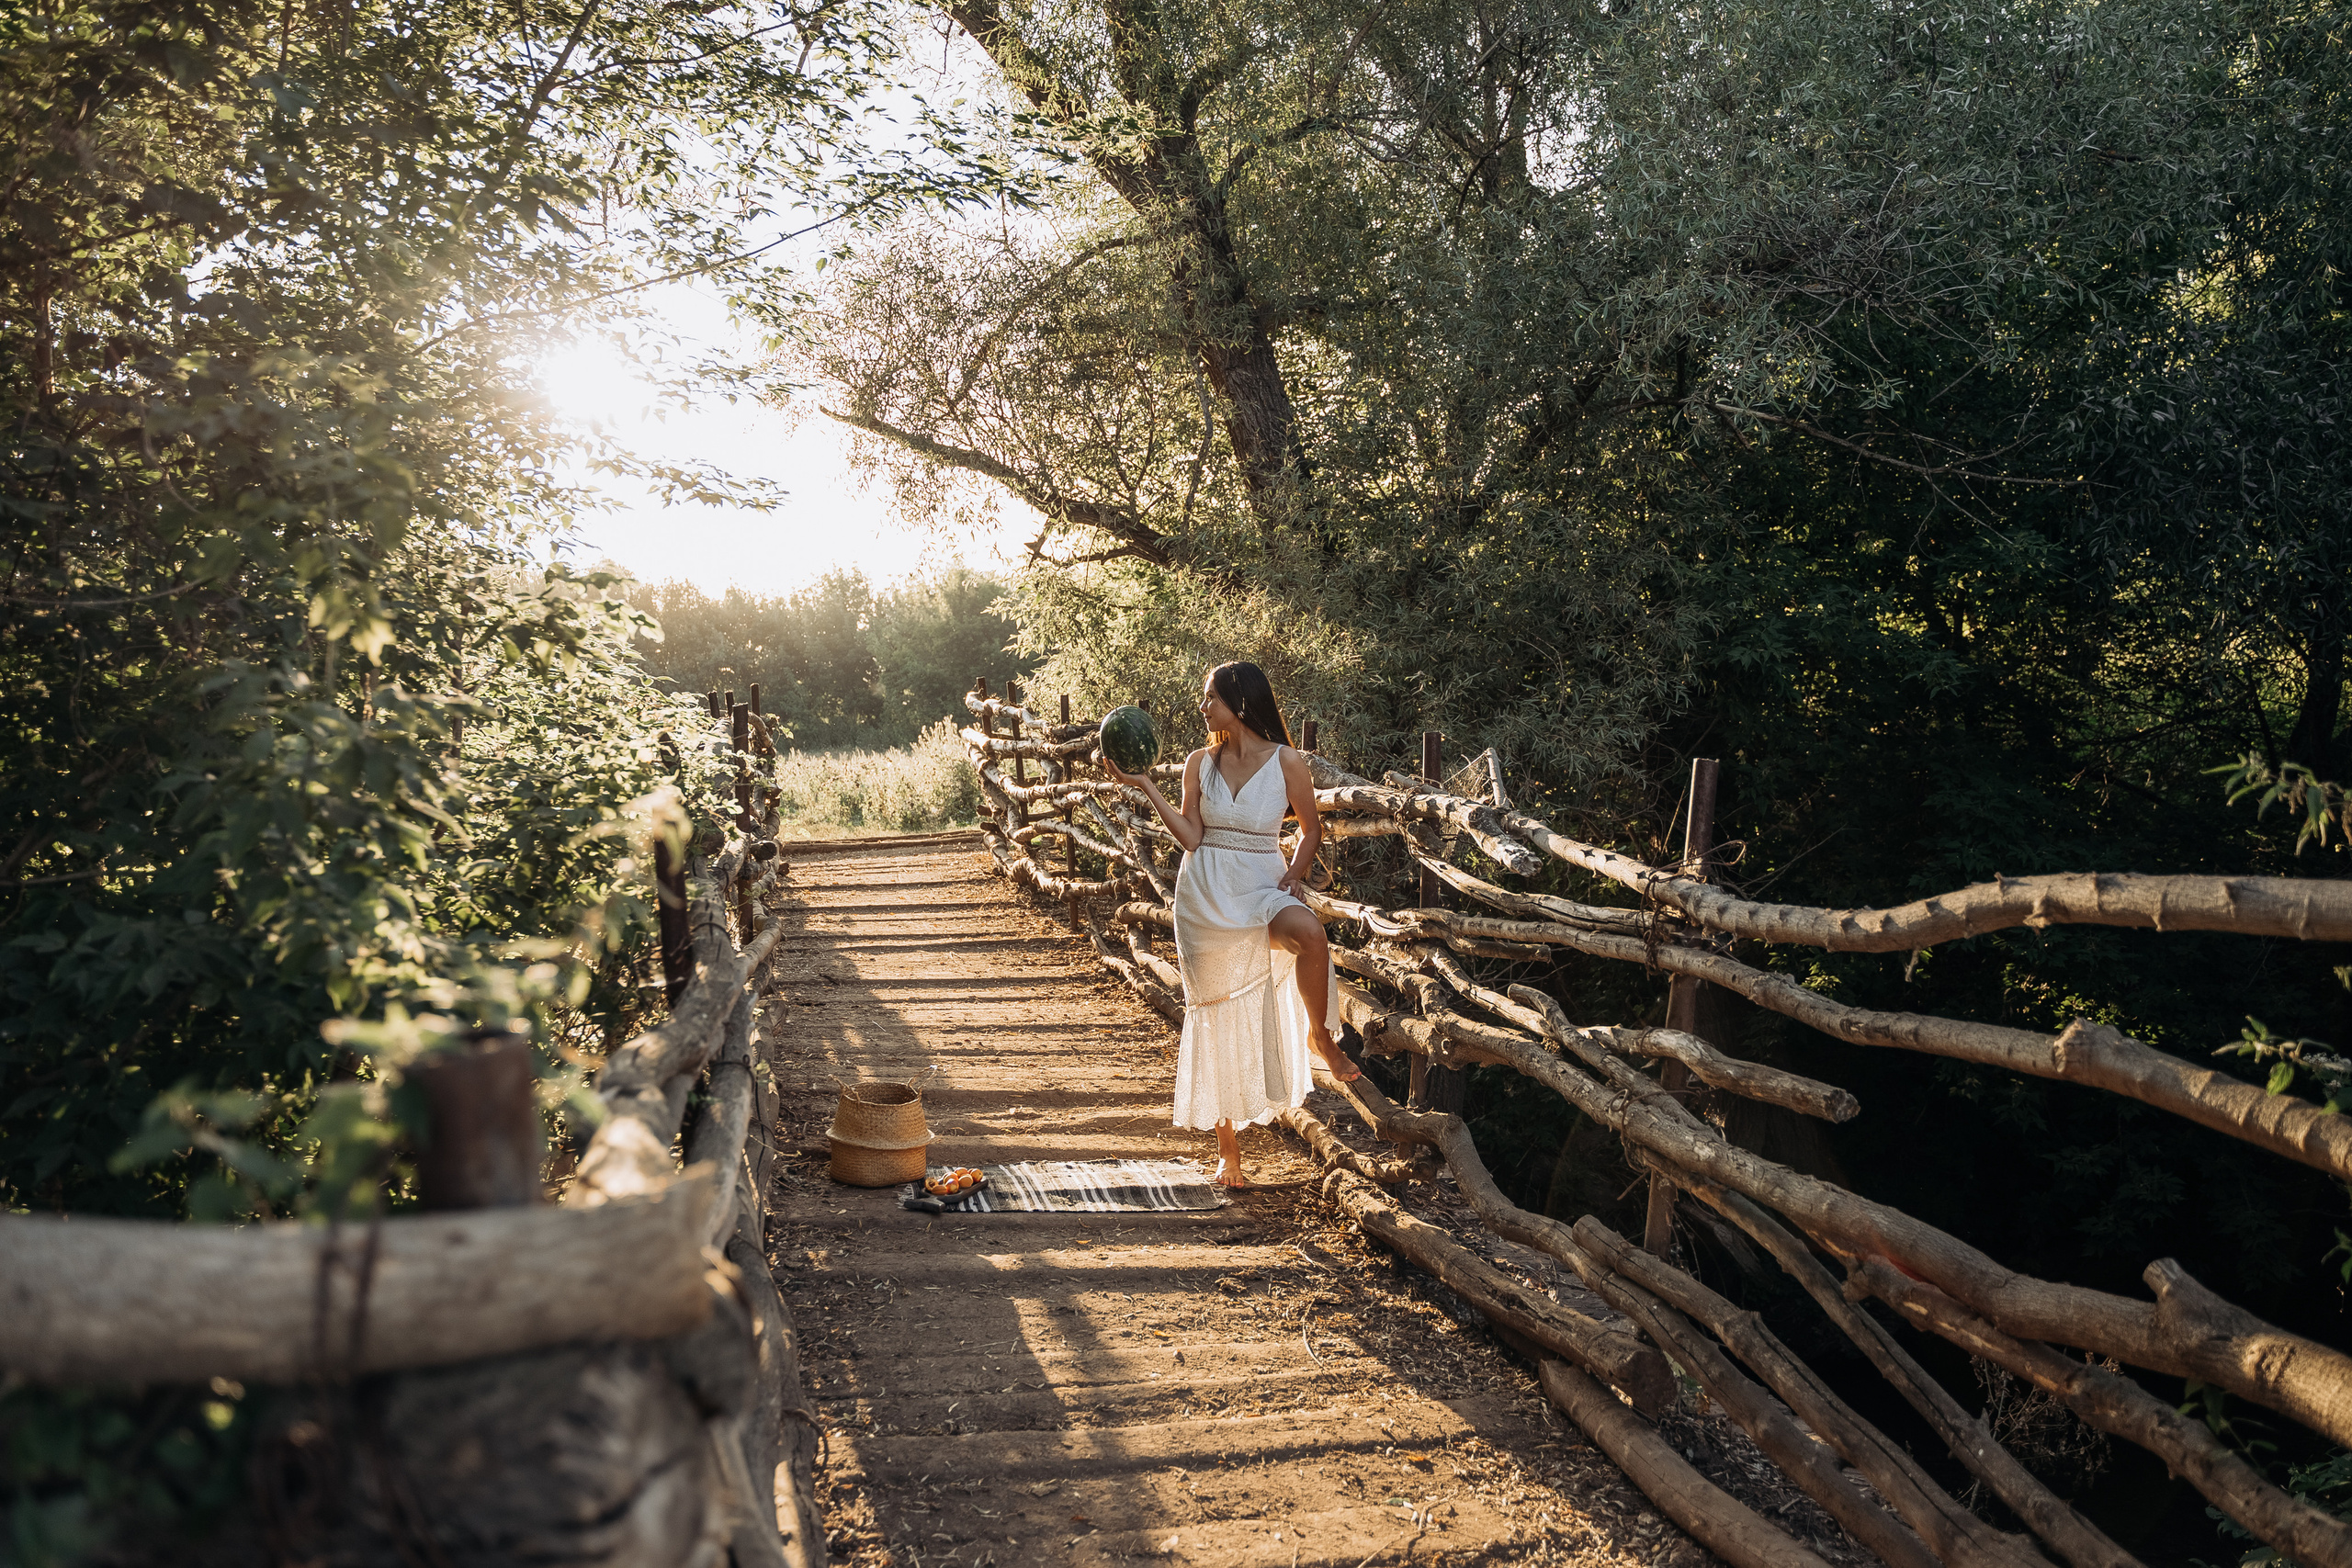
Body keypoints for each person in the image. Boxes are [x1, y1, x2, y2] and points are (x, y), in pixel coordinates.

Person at [1107, 661, 1360, 1189]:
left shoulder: (1287, 761)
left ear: (1239, 702)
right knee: (1214, 1012)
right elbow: (1191, 837)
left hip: (1262, 884)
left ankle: (1319, 1035)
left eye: (1211, 698)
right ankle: (1229, 1152)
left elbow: (1311, 829)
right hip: (1204, 896)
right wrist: (1145, 784)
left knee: (1310, 934)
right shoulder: (1199, 763)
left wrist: (1294, 874)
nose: (1203, 707)